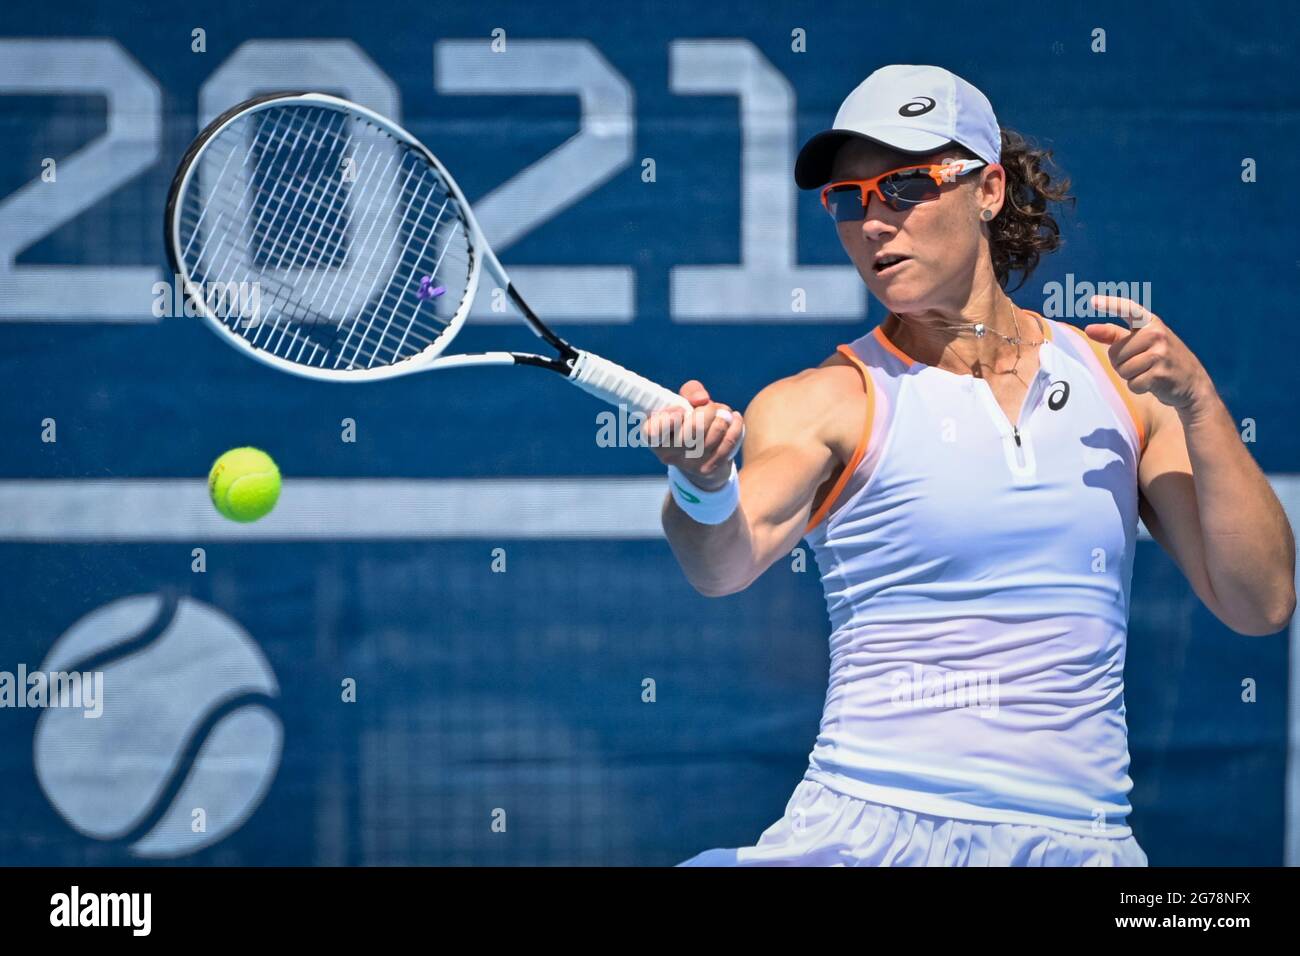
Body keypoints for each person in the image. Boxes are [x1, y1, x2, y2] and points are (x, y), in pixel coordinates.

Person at [652, 64, 1296, 866]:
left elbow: (1262, 602)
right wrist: (702, 484)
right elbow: (722, 562)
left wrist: (1199, 403)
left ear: (988, 189)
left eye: (904, 187)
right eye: (848, 200)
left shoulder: (1126, 388)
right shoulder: (824, 401)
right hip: (868, 835)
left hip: (1082, 844)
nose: (873, 223)